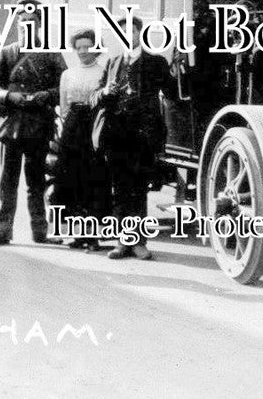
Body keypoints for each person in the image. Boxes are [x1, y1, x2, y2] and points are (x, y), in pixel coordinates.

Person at [0, 1, 67, 247]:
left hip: (39, 126)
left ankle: (40, 232)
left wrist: (47, 96)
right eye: (22, 23)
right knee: (7, 181)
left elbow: (65, 85)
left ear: (39, 25)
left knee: (36, 182)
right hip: (10, 127)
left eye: (31, 23)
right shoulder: (6, 53)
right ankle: (1, 231)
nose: (26, 27)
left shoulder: (52, 54)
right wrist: (9, 96)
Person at [91, 15, 178, 261]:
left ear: (141, 34)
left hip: (143, 137)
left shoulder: (156, 62)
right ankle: (122, 242)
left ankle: (139, 243)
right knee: (120, 189)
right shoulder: (112, 63)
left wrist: (176, 69)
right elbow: (94, 97)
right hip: (117, 135)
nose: (128, 36)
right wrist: (104, 92)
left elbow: (172, 92)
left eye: (132, 31)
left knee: (139, 190)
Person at [50, 29, 110, 251]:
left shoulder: (103, 72)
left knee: (93, 179)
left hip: (94, 125)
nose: (84, 51)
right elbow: (64, 106)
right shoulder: (68, 74)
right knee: (71, 178)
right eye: (79, 47)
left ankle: (93, 236)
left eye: (88, 47)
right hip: (73, 128)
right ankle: (77, 234)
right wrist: (70, 124)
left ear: (96, 48)